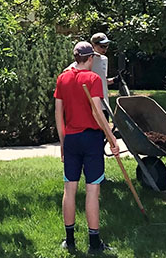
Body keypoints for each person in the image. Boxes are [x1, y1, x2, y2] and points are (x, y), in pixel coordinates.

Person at [54, 41, 120, 255]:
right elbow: (96, 113)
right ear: (90, 58)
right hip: (91, 139)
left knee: (69, 189)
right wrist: (111, 137)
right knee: (92, 190)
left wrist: (63, 142)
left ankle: (70, 241)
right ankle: (94, 243)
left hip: (71, 139)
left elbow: (58, 114)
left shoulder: (62, 79)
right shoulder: (92, 79)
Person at [66, 32, 116, 120]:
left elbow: (102, 81)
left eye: (107, 46)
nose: (105, 49)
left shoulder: (104, 59)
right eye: (102, 46)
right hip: (91, 104)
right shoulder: (87, 59)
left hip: (104, 104)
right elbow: (68, 71)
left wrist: (114, 80)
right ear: (93, 45)